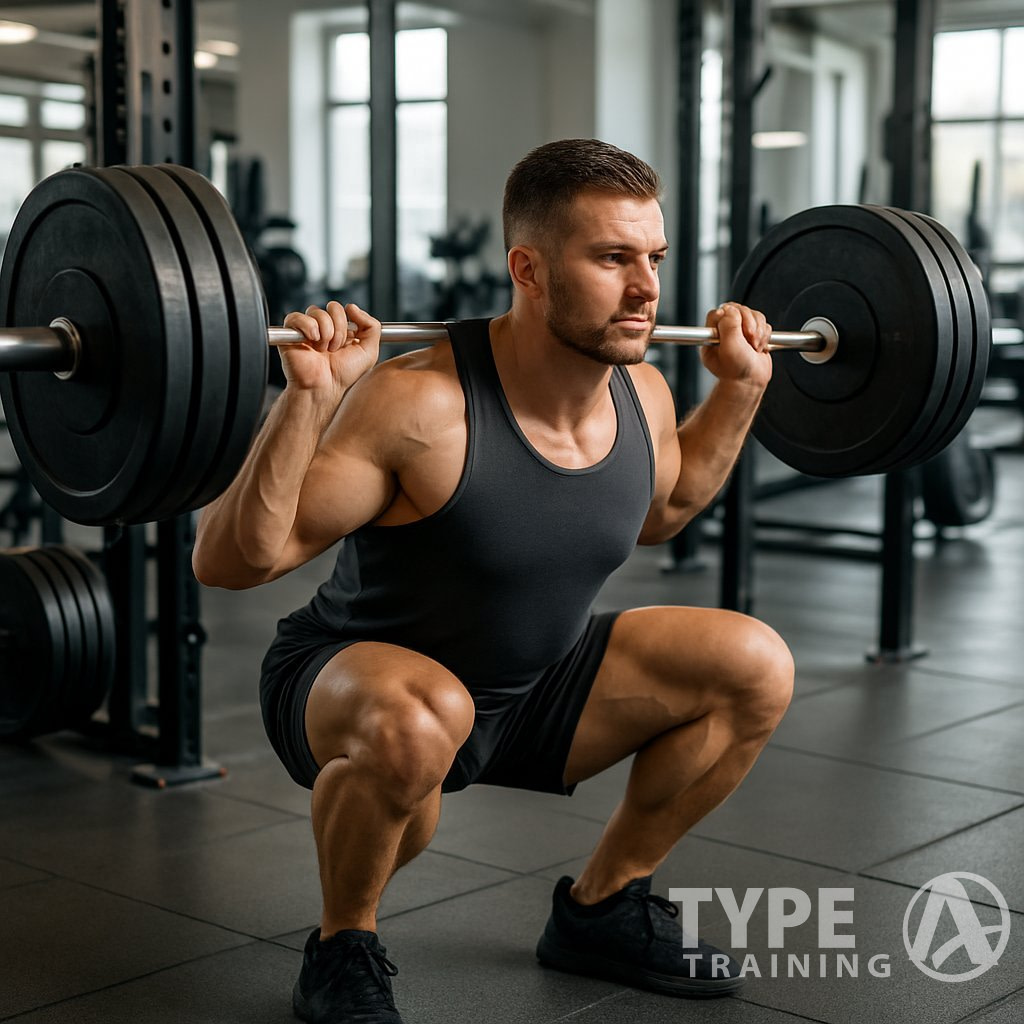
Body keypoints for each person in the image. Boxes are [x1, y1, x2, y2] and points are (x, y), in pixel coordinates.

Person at [193, 138, 794, 1024]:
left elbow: (661, 509)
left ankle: (603, 909)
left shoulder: (645, 392)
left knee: (753, 662)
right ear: (530, 269)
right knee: (419, 723)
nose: (647, 290)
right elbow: (231, 561)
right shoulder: (420, 404)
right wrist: (308, 397)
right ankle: (340, 946)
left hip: (532, 683)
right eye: (612, 258)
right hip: (364, 683)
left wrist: (741, 391)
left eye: (654, 258)